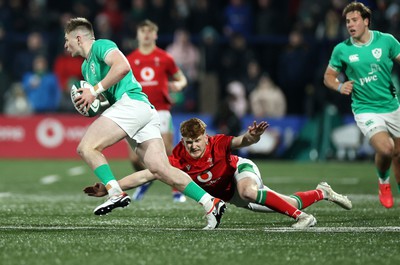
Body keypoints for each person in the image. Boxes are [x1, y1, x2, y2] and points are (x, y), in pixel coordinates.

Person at [64, 17, 226, 229]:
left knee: (86, 147)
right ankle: (210, 202)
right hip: (142, 110)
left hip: (132, 104)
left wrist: (93, 91)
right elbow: (105, 96)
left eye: (67, 40)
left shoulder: (101, 46)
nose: (65, 45)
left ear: (78, 37)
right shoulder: (86, 68)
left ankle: (115, 192)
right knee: (160, 169)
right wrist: (92, 103)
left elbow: (122, 67)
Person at [83, 118, 353, 229]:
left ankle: (304, 218)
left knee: (250, 190)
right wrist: (111, 187)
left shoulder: (218, 142)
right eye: (189, 142)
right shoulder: (177, 156)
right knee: (287, 202)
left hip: (241, 172)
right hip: (228, 194)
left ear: (205, 136)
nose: (194, 146)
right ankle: (322, 192)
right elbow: (146, 175)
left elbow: (242, 142)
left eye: (197, 141)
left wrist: (252, 136)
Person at [323, 1, 400, 209]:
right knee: (386, 149)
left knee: (398, 154)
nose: (350, 24)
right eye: (347, 21)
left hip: (392, 106)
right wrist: (339, 87)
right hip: (365, 109)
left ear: (366, 21)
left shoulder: (387, 41)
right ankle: (383, 182)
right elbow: (328, 77)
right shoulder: (342, 50)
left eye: (354, 20)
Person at [126, 19, 187, 202]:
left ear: (155, 35)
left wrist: (179, 84)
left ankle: (176, 189)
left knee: (167, 151)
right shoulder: (129, 60)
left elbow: (182, 78)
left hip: (160, 109)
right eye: (142, 30)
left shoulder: (164, 57)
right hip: (137, 111)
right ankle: (147, 179)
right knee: (135, 158)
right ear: (138, 34)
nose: (146, 34)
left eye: (149, 31)